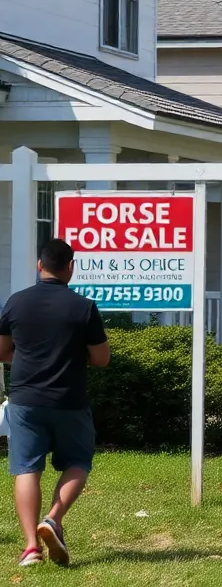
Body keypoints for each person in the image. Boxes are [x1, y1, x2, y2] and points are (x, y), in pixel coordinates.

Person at [0, 239, 110, 568]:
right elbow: (102, 359)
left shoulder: (15, 303)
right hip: (69, 400)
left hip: (24, 400)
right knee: (78, 461)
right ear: (70, 267)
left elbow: (2, 350)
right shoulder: (83, 307)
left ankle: (31, 548)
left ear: (39, 265)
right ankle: (53, 518)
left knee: (27, 468)